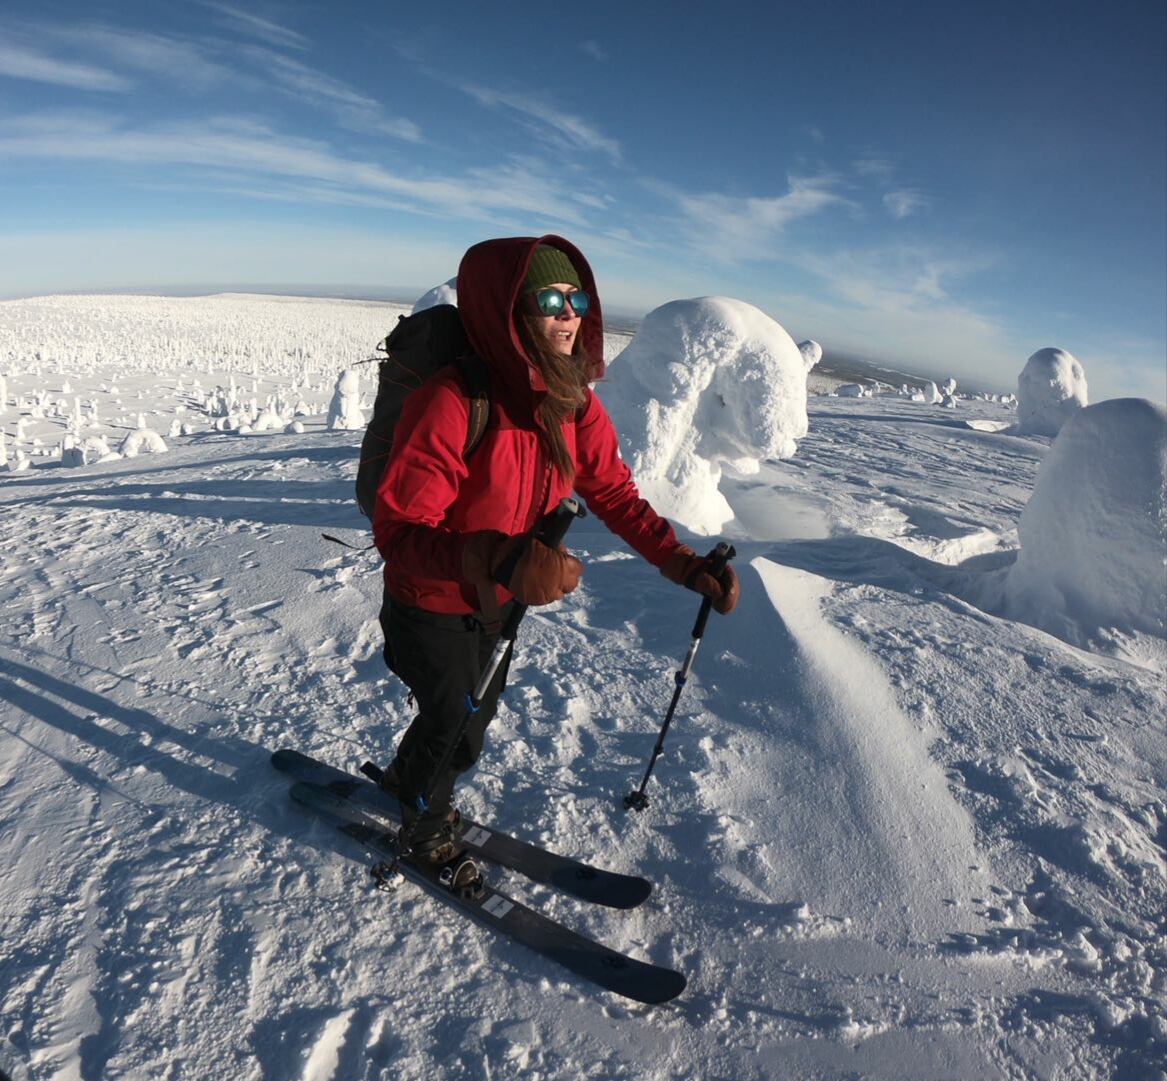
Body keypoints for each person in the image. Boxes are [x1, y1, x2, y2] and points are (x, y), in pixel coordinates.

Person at [372, 235, 739, 883]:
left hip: (498, 600)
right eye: (548, 298)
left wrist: (682, 563)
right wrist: (495, 556)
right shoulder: (453, 399)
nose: (567, 312)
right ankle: (424, 824)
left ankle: (410, 776)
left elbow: (617, 496)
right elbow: (399, 528)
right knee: (456, 721)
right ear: (508, 308)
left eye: (576, 298)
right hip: (428, 601)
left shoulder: (572, 404)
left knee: (464, 715)